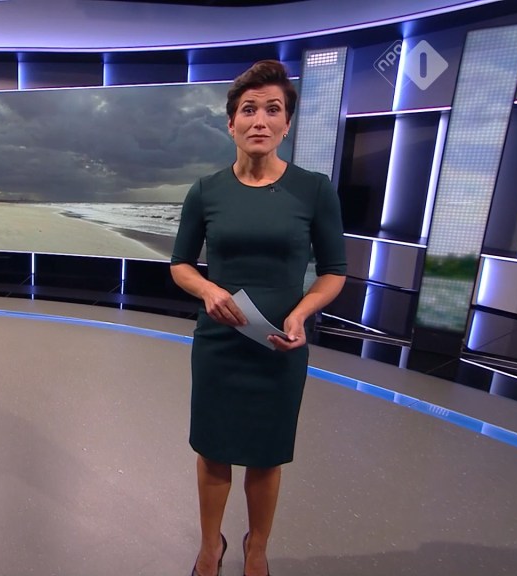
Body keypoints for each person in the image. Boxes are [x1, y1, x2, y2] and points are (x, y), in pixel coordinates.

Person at [170, 60, 347, 576]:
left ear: (287, 123)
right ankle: (210, 547)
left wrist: (302, 314)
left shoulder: (315, 190)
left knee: (267, 455)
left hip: (279, 348)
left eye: (273, 109)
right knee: (213, 449)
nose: (260, 120)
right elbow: (180, 264)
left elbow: (334, 271)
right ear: (232, 124)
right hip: (219, 343)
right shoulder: (206, 191)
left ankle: (257, 548)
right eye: (249, 110)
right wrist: (208, 289)